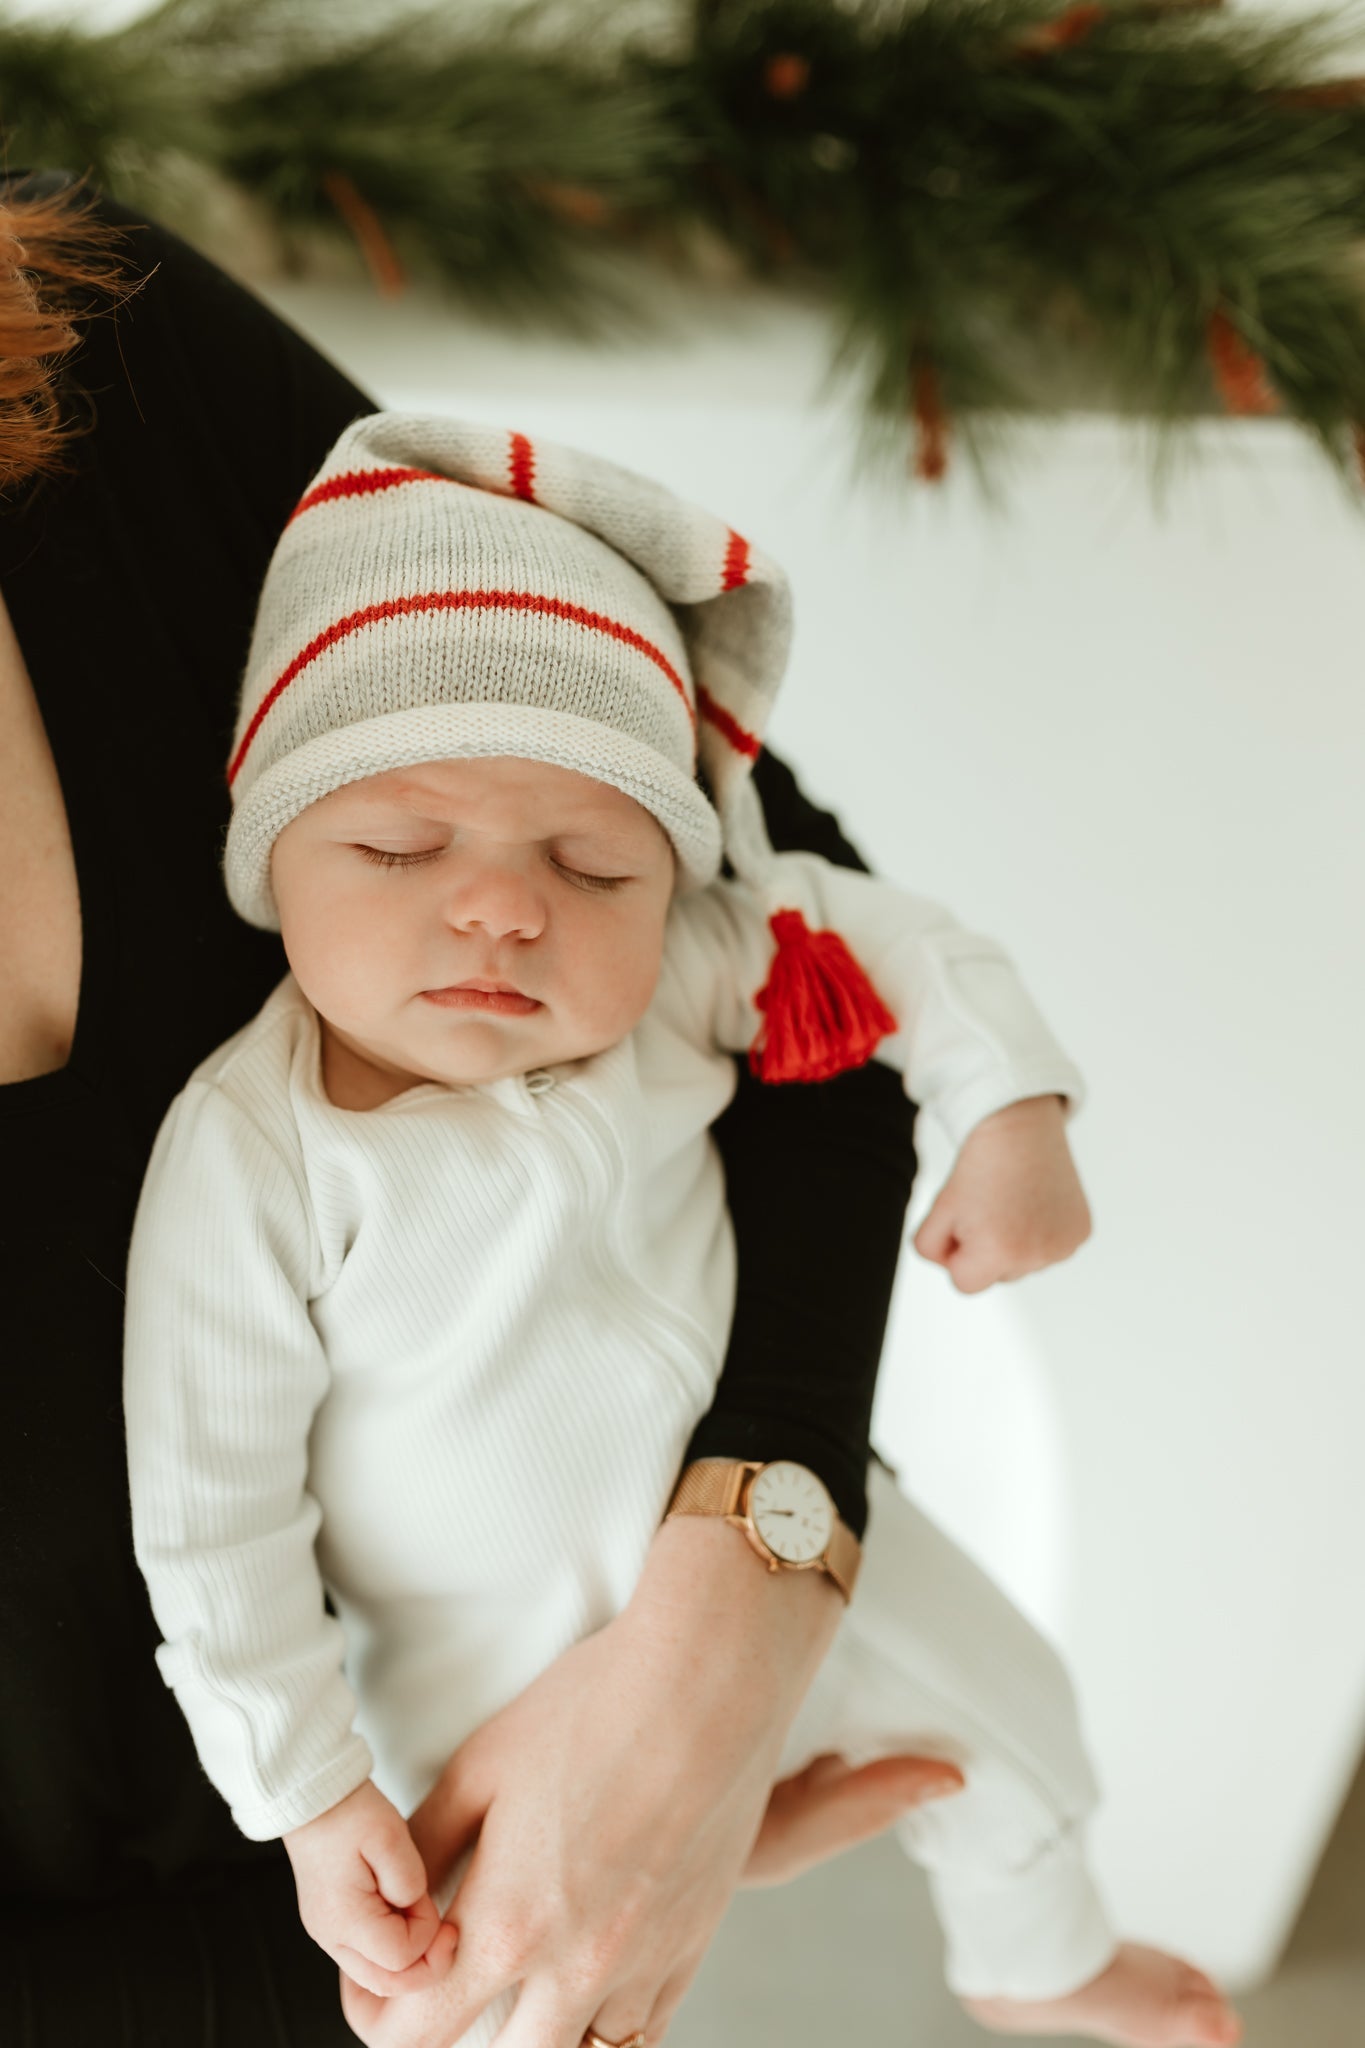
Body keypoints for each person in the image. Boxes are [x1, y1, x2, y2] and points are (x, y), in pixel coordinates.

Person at [0, 168, 979, 2047]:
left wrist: (729, 1626)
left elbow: (788, 948)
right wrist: (456, 1924)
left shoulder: (86, 323)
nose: (504, 906)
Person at [123, 411, 1242, 2048]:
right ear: (268, 855)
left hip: (812, 1555)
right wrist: (304, 1795)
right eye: (398, 844)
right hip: (468, 1683)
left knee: (1019, 1725)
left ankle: (1035, 1952)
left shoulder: (676, 990)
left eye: (591, 864)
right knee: (483, 1994)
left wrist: (1010, 1111)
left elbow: (890, 941)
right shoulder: (252, 1152)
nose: (505, 905)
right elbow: (210, 1522)